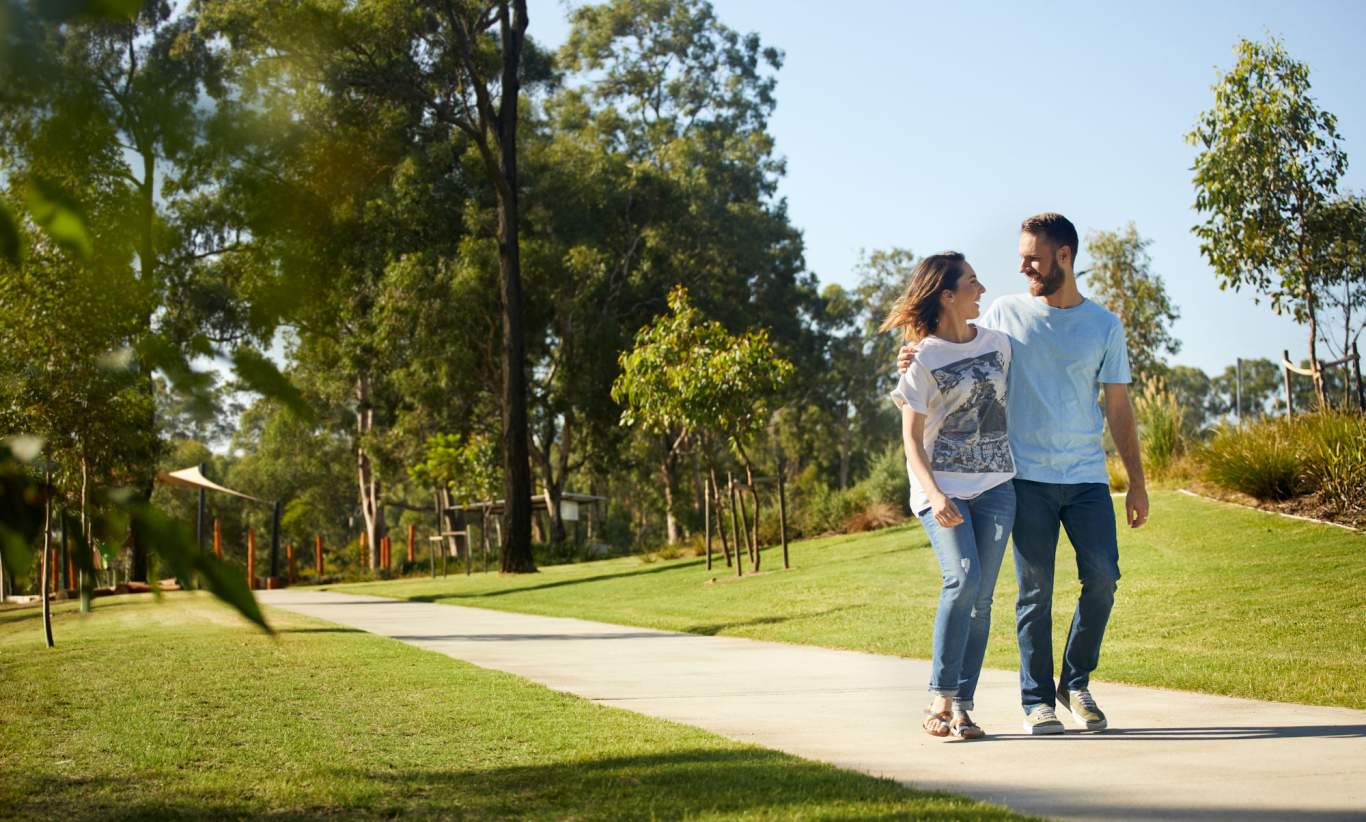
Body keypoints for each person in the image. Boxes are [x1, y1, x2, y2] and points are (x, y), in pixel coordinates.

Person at [898, 213, 1148, 735]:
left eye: (1032, 257)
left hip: (1085, 476)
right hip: (1023, 477)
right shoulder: (1006, 314)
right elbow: (954, 343)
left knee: (1103, 577)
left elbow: (1120, 408)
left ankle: (1074, 681)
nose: (1022, 266)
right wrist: (911, 352)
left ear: (1063, 256)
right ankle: (1036, 700)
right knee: (1031, 592)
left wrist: (1137, 481)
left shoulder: (1104, 324)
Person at [882, 252, 1016, 740]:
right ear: (947, 295)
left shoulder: (1000, 344)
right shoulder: (921, 359)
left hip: (998, 487)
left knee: (982, 599)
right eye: (973, 283)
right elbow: (911, 441)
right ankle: (939, 696)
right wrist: (936, 494)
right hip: (942, 492)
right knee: (961, 580)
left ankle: (962, 707)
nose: (981, 290)